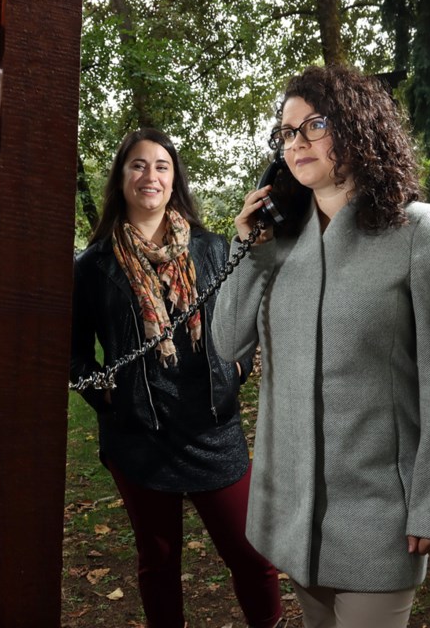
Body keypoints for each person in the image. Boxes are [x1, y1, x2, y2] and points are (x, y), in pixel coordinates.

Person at [210, 64, 430, 628]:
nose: (296, 141)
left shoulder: (421, 232)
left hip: (381, 515)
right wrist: (248, 246)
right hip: (292, 514)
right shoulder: (278, 245)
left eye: (314, 125)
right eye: (286, 132)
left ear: (357, 128)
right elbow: (227, 342)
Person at [70, 128, 285, 628]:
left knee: (254, 557)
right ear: (121, 179)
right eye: (138, 165)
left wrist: (238, 368)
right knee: (159, 565)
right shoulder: (93, 265)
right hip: (138, 442)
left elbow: (248, 318)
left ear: (174, 180)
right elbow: (75, 356)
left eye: (161, 166)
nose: (151, 175)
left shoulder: (211, 249)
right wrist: (107, 398)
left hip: (212, 431)